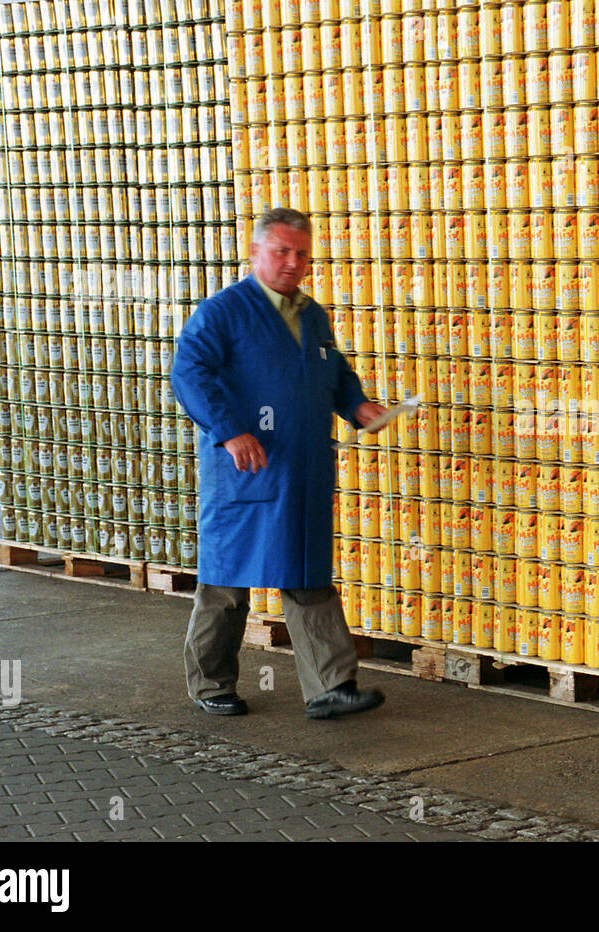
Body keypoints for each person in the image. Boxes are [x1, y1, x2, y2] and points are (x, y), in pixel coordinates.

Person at [170, 207, 387, 719]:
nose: (293, 263)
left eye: (302, 254)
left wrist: (357, 406)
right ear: (256, 253)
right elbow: (189, 373)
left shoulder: (312, 316)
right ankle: (210, 683)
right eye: (282, 252)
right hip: (245, 470)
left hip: (304, 468)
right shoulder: (223, 312)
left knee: (309, 576)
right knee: (226, 583)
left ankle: (332, 687)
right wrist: (230, 432)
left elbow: (334, 374)